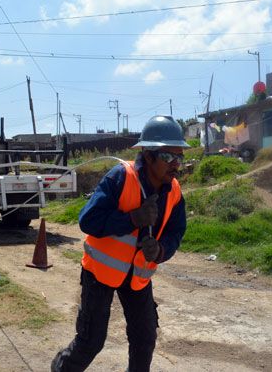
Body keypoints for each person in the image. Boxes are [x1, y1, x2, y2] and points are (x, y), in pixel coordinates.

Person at [51, 115, 190, 372]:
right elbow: (87, 221)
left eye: (179, 158)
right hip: (100, 273)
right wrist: (133, 219)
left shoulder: (175, 191)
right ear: (148, 156)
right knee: (91, 342)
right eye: (169, 157)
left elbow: (177, 231)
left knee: (144, 339)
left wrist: (161, 251)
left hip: (137, 277)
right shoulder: (120, 177)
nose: (176, 165)